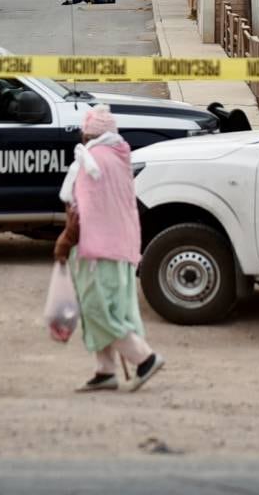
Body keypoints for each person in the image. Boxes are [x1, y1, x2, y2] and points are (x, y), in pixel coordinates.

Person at [53, 104, 165, 393]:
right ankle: (105, 371)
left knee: (98, 310)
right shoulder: (118, 159)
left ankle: (144, 359)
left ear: (89, 134)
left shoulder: (91, 161)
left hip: (95, 251)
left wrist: (64, 242)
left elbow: (82, 211)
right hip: (121, 248)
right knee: (110, 307)